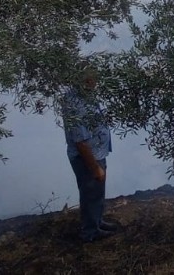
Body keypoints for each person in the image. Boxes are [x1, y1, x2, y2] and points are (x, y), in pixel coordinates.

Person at [60, 62, 118, 243]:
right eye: (92, 78)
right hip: (87, 158)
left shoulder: (87, 96)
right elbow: (80, 142)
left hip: (98, 153)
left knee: (97, 192)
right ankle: (90, 232)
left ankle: (97, 221)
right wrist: (94, 168)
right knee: (90, 192)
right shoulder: (73, 103)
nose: (95, 81)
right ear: (82, 79)